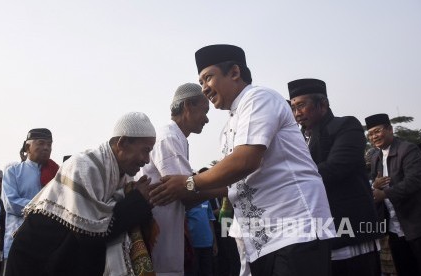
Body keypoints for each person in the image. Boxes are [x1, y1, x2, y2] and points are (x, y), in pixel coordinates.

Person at [150, 44, 336, 276]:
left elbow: (245, 161)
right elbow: (231, 183)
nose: (204, 88)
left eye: (208, 78)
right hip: (262, 240)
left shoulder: (259, 98)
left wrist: (189, 183)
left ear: (235, 73)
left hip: (294, 228)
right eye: (200, 83)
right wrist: (178, 191)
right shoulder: (229, 126)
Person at [5, 112, 158, 276]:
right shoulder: (84, 167)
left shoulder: (122, 176)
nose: (147, 159)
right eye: (145, 150)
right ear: (122, 143)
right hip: (33, 261)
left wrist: (138, 198)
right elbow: (90, 233)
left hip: (60, 260)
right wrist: (137, 201)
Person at [288, 78, 382, 275]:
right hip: (318, 235)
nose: (297, 114)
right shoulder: (296, 140)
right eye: (294, 107)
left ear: (322, 104)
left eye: (302, 106)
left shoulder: (346, 125)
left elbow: (335, 168)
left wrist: (288, 180)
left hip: (351, 227)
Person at [135, 83, 218, 276]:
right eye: (204, 111)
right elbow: (185, 193)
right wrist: (229, 188)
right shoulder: (168, 137)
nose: (206, 119)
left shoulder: (177, 137)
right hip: (159, 238)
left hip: (169, 234)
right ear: (188, 106)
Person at [366, 113, 421, 276]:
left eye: (377, 131)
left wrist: (384, 194)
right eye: (370, 134)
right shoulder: (376, 157)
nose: (374, 136)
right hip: (394, 228)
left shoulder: (408, 149)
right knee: (405, 270)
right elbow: (374, 185)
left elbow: (414, 182)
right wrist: (374, 186)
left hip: (417, 226)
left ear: (390, 129)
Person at [1, 128, 59, 273]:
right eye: (41, 143)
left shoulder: (57, 173)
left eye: (49, 144)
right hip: (18, 241)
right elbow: (12, 204)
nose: (46, 148)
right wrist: (46, 207)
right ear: (28, 147)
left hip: (49, 243)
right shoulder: (13, 171)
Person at [185, 199, 217, 276]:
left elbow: (210, 220)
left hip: (207, 243)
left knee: (207, 272)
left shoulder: (206, 201)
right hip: (193, 245)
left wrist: (215, 242)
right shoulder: (186, 202)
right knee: (193, 272)